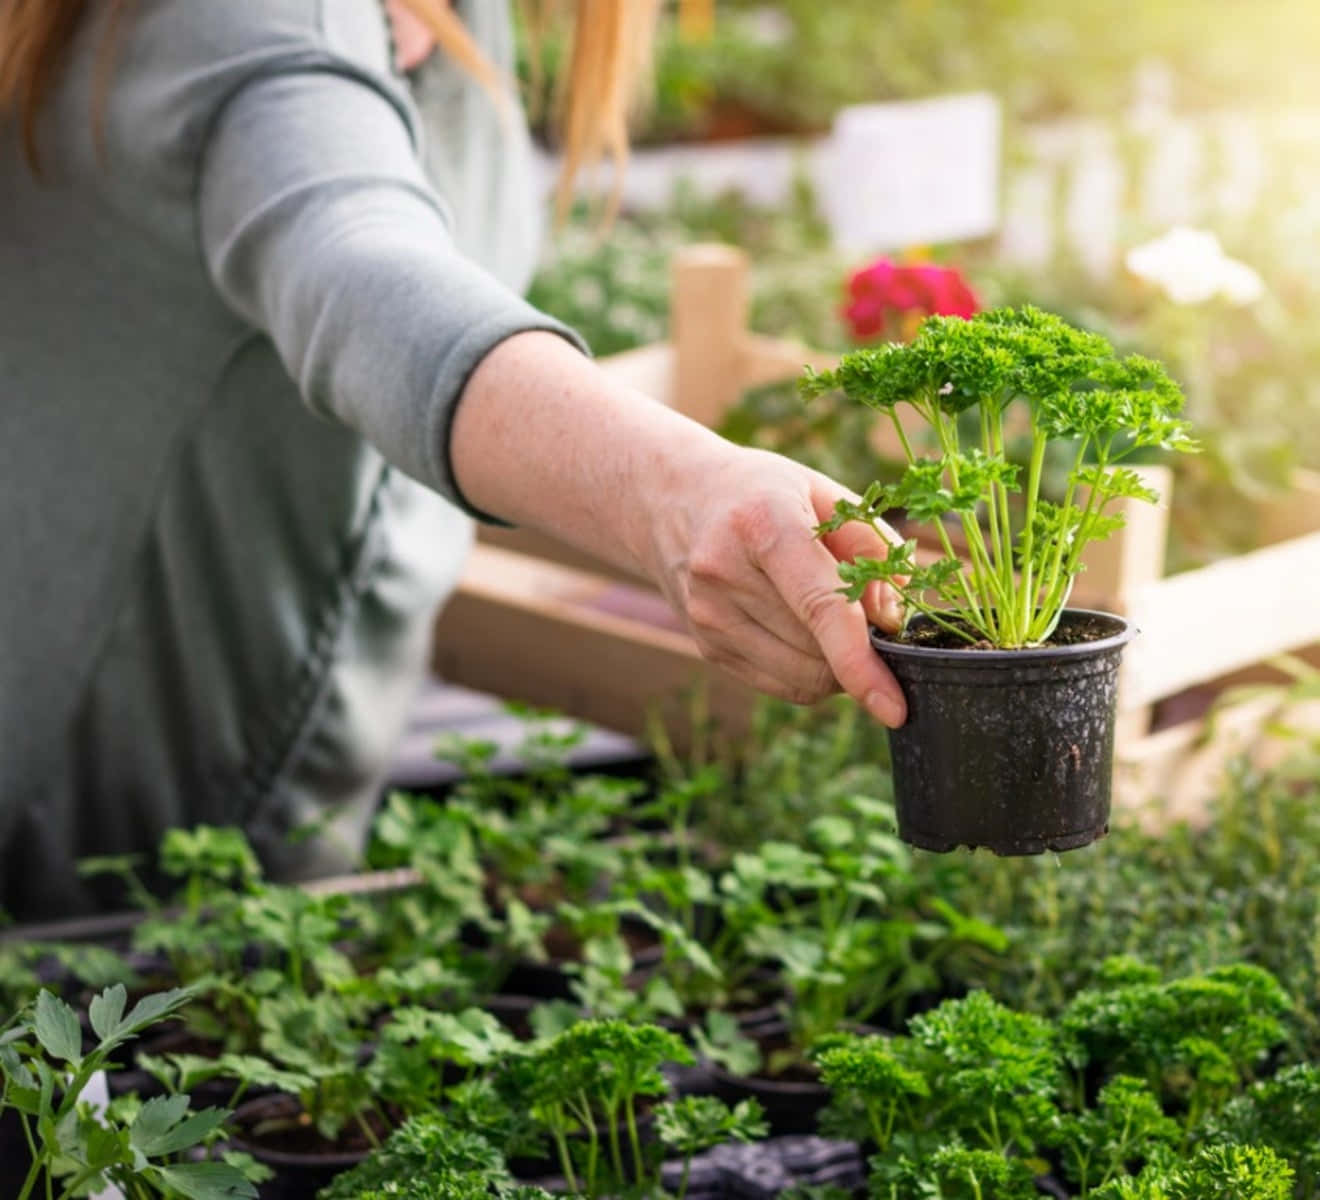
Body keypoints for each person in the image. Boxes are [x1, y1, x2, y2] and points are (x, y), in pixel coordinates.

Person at [0, 0, 906, 921]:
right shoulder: (258, 20)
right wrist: (678, 490)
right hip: (92, 851)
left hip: (263, 787)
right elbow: (364, 280)